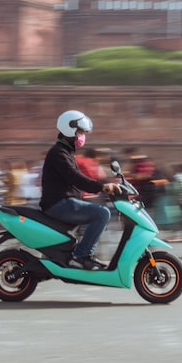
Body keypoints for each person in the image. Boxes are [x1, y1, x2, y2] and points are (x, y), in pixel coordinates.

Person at [40, 110, 119, 270]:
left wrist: (98, 189)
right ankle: (81, 256)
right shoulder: (58, 153)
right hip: (58, 204)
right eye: (80, 132)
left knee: (97, 213)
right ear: (69, 130)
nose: (82, 136)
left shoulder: (66, 153)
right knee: (102, 213)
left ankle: (78, 254)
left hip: (63, 202)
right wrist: (101, 187)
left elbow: (74, 182)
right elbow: (74, 177)